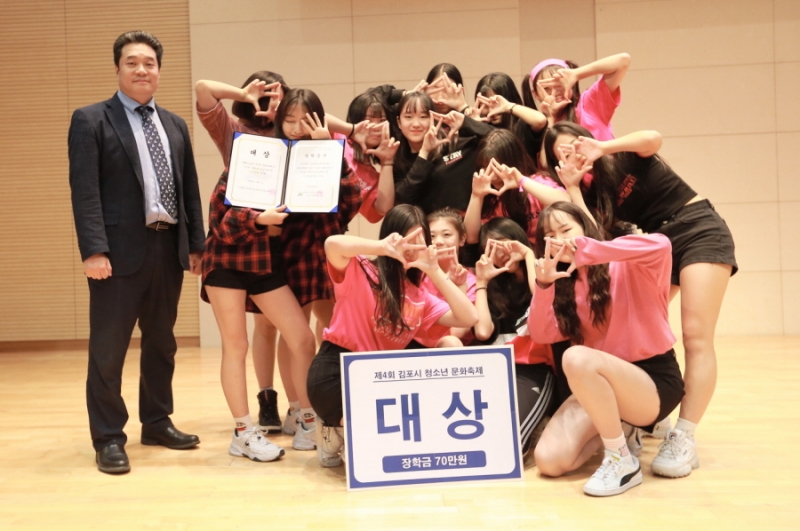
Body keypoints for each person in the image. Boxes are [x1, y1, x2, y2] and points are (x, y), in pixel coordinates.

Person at [544, 123, 737, 478]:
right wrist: (572, 186)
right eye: (560, 154)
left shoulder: (620, 157)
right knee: (636, 322)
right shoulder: (593, 192)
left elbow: (653, 138)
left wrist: (603, 147)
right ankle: (637, 410)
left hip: (696, 227)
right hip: (657, 244)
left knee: (696, 336)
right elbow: (594, 240)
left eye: (572, 145)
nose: (570, 154)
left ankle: (684, 435)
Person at [68, 31, 205, 474]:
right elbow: (85, 191)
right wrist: (94, 250)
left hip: (168, 248)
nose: (142, 70)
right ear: (118, 69)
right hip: (117, 253)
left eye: (149, 63)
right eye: (132, 62)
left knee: (162, 343)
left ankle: (157, 421)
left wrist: (196, 245)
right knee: (108, 351)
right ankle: (108, 437)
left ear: (159, 71)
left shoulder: (175, 124)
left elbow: (189, 191)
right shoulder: (91, 120)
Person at [529, 202, 684, 496]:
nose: (559, 240)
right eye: (550, 236)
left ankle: (620, 459)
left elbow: (662, 244)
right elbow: (542, 333)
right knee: (549, 461)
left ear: (585, 229)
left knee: (576, 357)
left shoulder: (626, 262)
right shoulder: (565, 283)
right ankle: (620, 430)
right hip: (598, 384)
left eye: (566, 229)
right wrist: (543, 285)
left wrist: (588, 250)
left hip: (652, 381)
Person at [307, 204, 479, 467]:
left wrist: (434, 271)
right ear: (391, 236)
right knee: (368, 457)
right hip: (338, 371)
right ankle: (334, 429)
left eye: (419, 240)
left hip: (381, 381)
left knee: (388, 453)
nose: (411, 247)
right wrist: (382, 247)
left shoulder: (419, 296)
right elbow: (332, 244)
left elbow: (469, 318)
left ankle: (346, 429)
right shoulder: (361, 268)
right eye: (406, 239)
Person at [194, 71, 290, 434]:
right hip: (237, 241)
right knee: (243, 339)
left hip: (278, 241)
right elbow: (204, 89)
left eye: (278, 93)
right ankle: (262, 404)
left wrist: (287, 106)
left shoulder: (291, 132)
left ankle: (299, 409)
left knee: (282, 328)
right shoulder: (235, 133)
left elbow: (319, 119)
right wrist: (244, 94)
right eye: (265, 93)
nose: (270, 99)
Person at [528, 53, 630, 140]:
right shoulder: (537, 125)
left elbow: (623, 60)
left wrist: (576, 74)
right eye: (546, 88)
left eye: (559, 84)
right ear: (535, 94)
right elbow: (547, 157)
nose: (555, 91)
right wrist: (550, 118)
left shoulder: (589, 103)